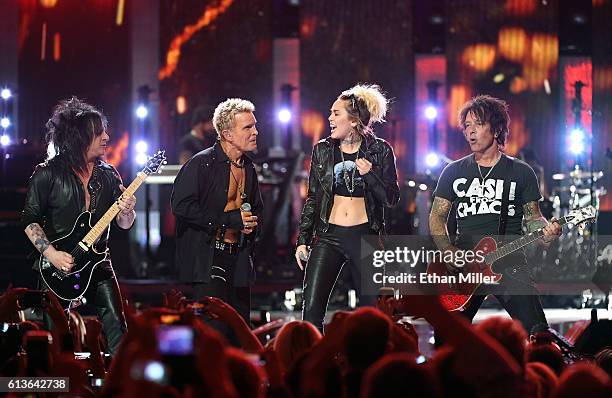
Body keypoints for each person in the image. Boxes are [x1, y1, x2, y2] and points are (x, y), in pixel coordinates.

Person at [429, 94, 562, 335]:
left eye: (478, 124)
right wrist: (447, 249)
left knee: (538, 333)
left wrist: (546, 233)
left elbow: (534, 218)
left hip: (509, 262)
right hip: (466, 263)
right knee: (447, 336)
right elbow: (437, 216)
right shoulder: (453, 171)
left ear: (497, 128)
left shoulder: (521, 172)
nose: (470, 132)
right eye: (467, 126)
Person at [21, 97, 134, 355]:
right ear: (80, 137)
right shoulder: (47, 173)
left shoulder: (108, 174)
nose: (106, 137)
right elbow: (30, 220)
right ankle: (57, 390)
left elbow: (124, 224)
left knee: (118, 325)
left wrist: (128, 211)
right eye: (98, 133)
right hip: (57, 265)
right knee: (56, 337)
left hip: (98, 263)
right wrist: (52, 254)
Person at [295, 84, 400, 333]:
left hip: (365, 238)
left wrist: (371, 175)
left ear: (353, 121)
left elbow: (391, 198)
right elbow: (313, 198)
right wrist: (303, 239)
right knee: (311, 310)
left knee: (372, 313)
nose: (330, 118)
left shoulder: (380, 150)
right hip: (328, 236)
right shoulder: (322, 150)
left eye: (336, 113)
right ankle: (313, 364)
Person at [171, 98, 263, 330]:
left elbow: (257, 209)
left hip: (239, 257)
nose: (255, 132)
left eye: (254, 125)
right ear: (227, 134)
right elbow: (181, 206)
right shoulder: (200, 164)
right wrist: (230, 220)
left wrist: (252, 226)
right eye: (248, 127)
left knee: (240, 330)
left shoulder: (249, 167)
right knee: (213, 331)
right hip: (209, 258)